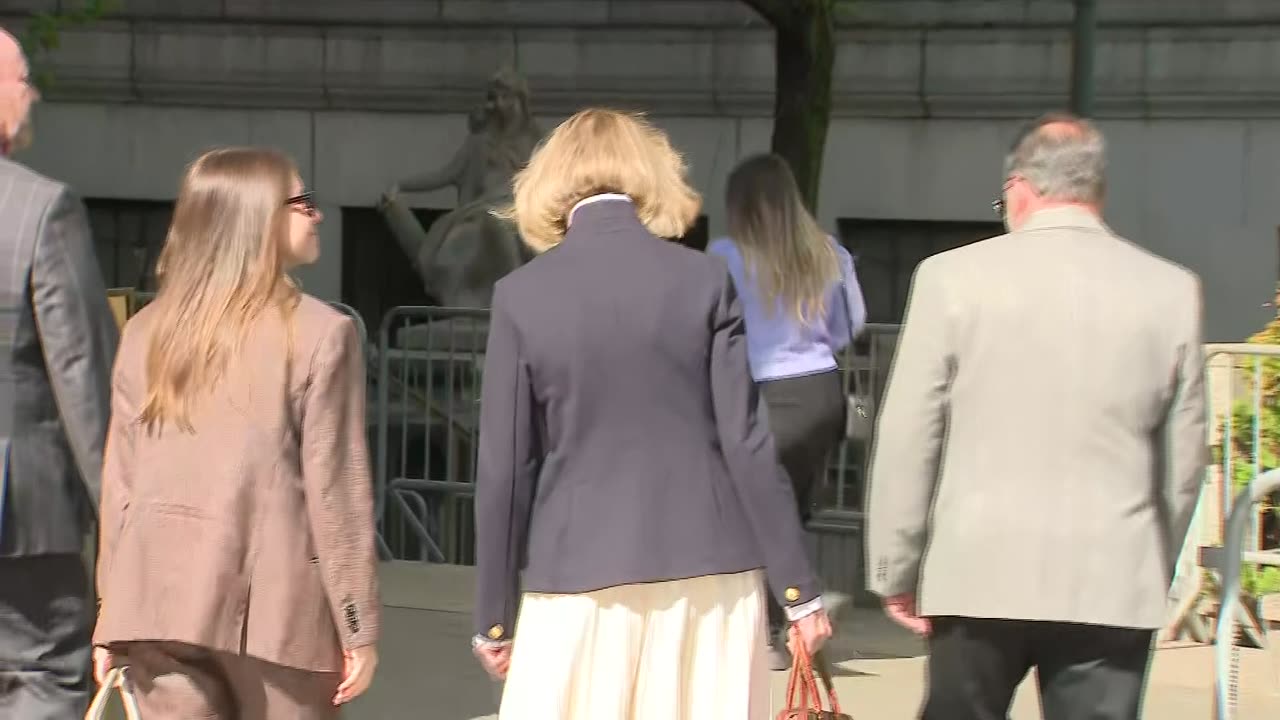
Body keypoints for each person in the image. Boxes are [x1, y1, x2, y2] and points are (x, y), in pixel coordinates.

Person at [471, 108, 832, 719]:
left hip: (577, 574)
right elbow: (746, 443)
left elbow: (505, 471)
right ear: (649, 174)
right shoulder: (705, 279)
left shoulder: (521, 295)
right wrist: (797, 592)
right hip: (711, 573)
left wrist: (494, 617)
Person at [865, 113, 1206, 720]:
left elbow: (909, 435)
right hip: (1112, 578)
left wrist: (897, 562)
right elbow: (1184, 464)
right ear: (1097, 192)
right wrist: (1154, 556)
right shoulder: (1172, 291)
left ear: (1020, 189)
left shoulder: (950, 279)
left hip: (975, 571)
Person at [91, 147, 381, 719]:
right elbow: (336, 496)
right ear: (257, 218)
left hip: (154, 607)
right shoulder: (322, 334)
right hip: (277, 624)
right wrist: (357, 623)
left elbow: (120, 489)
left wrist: (110, 610)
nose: (316, 213)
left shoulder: (146, 331)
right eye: (301, 202)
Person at [708, 153, 867, 669]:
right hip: (822, 391)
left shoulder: (726, 255)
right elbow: (851, 327)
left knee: (750, 510)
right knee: (791, 507)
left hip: (762, 391)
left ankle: (769, 630)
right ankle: (788, 623)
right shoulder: (828, 253)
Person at [0, 29, 118, 720]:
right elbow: (87, 386)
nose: (33, 96)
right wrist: (124, 542)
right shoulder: (41, 209)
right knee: (42, 677)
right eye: (21, 82)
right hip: (24, 520)